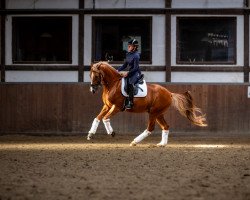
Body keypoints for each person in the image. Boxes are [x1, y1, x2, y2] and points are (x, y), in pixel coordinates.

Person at [117, 38, 142, 109]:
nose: (128, 47)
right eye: (128, 46)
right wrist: (117, 70)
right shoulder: (128, 54)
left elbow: (136, 68)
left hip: (135, 73)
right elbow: (124, 65)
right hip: (129, 72)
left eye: (129, 46)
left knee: (130, 83)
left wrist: (128, 73)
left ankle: (131, 102)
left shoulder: (136, 55)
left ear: (134, 47)